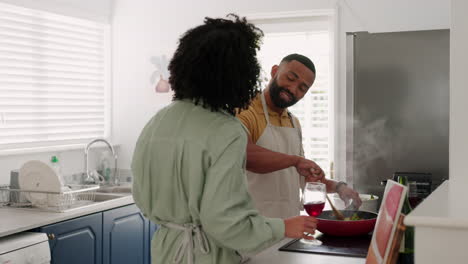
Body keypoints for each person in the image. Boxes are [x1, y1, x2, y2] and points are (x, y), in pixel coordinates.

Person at [132, 15, 318, 264]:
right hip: (208, 255)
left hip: (166, 252)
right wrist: (283, 227)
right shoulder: (226, 130)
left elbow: (141, 197)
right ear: (240, 74)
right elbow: (227, 223)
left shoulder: (157, 121)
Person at [237, 53, 362, 219]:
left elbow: (303, 177)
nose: (293, 89)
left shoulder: (294, 122)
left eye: (302, 88)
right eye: (290, 78)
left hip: (288, 228)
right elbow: (245, 155)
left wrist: (339, 187)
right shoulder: (245, 110)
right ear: (274, 71)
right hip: (250, 228)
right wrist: (296, 160)